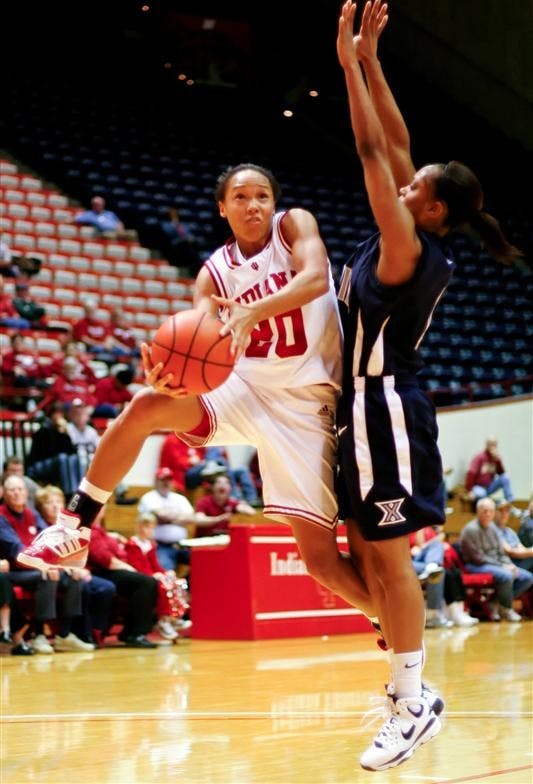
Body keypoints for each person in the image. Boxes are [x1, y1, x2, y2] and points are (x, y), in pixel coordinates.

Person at [17, 162, 377, 643]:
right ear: (222, 208)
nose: (254, 205)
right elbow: (198, 341)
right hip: (246, 390)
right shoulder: (213, 274)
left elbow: (315, 278)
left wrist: (258, 309)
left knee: (320, 561)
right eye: (242, 197)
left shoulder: (294, 227)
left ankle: (389, 626)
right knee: (147, 404)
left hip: (305, 403)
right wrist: (172, 377)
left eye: (262, 196)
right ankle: (73, 527)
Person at [334, 0, 521, 771]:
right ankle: (410, 682)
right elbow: (401, 145)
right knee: (357, 557)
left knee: (385, 559)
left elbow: (376, 154)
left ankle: (411, 699)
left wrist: (348, 69)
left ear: (430, 207)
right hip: (357, 408)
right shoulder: (420, 226)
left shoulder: (404, 241)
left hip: (383, 407)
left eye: (418, 188)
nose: (404, 184)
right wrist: (375, 61)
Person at [0, 475, 93, 653]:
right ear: (4, 494)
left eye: (20, 489)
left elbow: (51, 537)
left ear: (26, 493)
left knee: (72, 576)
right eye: (12, 489)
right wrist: (46, 565)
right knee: (46, 576)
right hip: (14, 570)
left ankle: (64, 635)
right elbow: (16, 548)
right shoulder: (1, 516)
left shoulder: (31, 513)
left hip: (37, 565)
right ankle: (40, 635)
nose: (16, 493)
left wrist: (64, 564)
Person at [86, 507, 158, 648]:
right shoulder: (89, 530)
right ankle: (135, 633)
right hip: (98, 571)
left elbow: (118, 554)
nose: (101, 508)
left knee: (147, 582)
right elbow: (105, 559)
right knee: (146, 582)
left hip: (109, 569)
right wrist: (130, 568)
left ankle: (132, 631)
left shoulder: (101, 530)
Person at [460, 497, 533, 622]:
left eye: (490, 511)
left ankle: (495, 602)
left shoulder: (493, 529)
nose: (487, 514)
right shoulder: (470, 529)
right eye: (484, 511)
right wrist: (502, 566)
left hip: (494, 564)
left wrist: (510, 564)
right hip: (475, 565)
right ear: (478, 511)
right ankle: (506, 609)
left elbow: (501, 553)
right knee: (506, 575)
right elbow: (478, 558)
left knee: (527, 578)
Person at [125, 513, 190, 641]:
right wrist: (153, 575)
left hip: (154, 575)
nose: (149, 531)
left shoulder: (151, 544)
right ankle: (163, 619)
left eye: (152, 528)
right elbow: (137, 566)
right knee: (163, 587)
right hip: (143, 576)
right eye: (146, 527)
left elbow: (156, 564)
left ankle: (175, 617)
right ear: (139, 527)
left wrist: (165, 572)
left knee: (178, 583)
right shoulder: (133, 544)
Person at [193, 474, 255, 538]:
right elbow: (199, 520)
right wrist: (219, 519)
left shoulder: (232, 503)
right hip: (204, 538)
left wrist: (242, 507)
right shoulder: (204, 502)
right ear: (212, 487)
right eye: (219, 482)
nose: (222, 485)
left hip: (224, 539)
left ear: (230, 488)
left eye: (226, 483)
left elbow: (251, 511)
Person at [465, 437, 515, 505]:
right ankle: (490, 504)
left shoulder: (495, 458)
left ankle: (509, 503)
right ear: (486, 444)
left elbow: (501, 473)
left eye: (495, 444)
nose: (493, 446)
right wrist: (469, 491)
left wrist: (498, 461)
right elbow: (471, 473)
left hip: (489, 486)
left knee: (505, 478)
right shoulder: (479, 456)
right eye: (491, 444)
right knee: (482, 494)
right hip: (478, 487)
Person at [73, 195, 137, 241]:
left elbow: (119, 222)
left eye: (100, 204)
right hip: (105, 233)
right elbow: (76, 219)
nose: (99, 206)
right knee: (109, 235)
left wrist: (120, 230)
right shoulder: (89, 214)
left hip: (118, 232)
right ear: (93, 205)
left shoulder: (110, 213)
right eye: (96, 204)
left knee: (133, 233)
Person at [159, 207, 202, 274]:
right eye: (172, 214)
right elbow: (169, 233)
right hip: (174, 244)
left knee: (192, 245)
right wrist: (175, 224)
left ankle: (194, 267)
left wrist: (189, 238)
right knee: (186, 245)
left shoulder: (183, 225)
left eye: (175, 213)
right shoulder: (166, 224)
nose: (174, 215)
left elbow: (189, 234)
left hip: (186, 244)